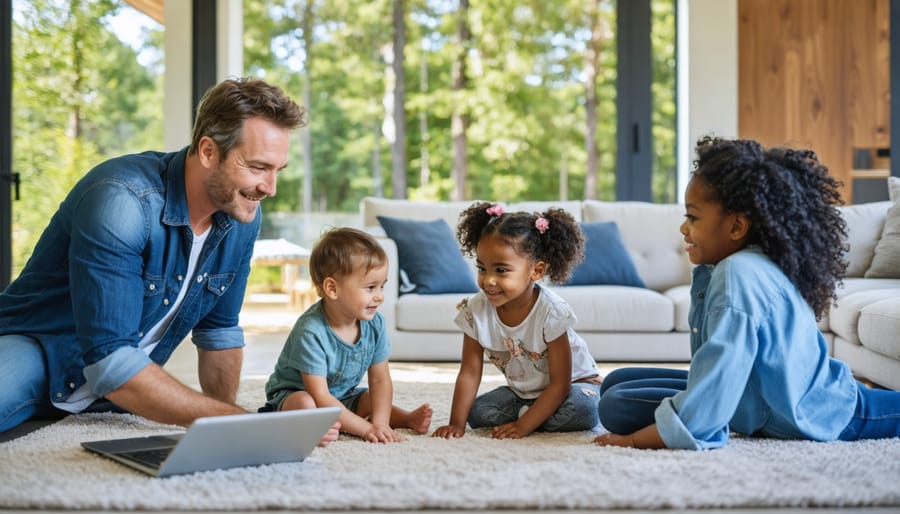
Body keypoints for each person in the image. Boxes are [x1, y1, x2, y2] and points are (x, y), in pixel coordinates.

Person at [0, 77, 337, 445]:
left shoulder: (242, 216)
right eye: (257, 167)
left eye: (277, 171)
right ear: (208, 151)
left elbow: (219, 333)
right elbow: (111, 361)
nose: (270, 188)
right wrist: (242, 423)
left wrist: (227, 431)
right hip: (39, 348)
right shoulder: (121, 201)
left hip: (120, 392)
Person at [594, 136, 900, 450]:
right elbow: (718, 367)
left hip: (831, 412)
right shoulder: (736, 264)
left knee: (617, 405)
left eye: (693, 217)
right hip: (761, 396)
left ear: (737, 227)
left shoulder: (737, 274)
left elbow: (718, 378)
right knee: (618, 381)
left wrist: (634, 440)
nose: (683, 228)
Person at [432, 202, 603, 440]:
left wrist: (523, 426)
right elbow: (470, 372)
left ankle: (533, 416)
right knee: (477, 412)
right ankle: (536, 414)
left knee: (584, 411)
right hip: (524, 394)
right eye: (482, 268)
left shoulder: (551, 312)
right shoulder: (475, 310)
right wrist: (456, 424)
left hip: (573, 387)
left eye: (501, 270)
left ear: (536, 271)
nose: (488, 280)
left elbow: (560, 384)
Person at [261, 227, 433, 443]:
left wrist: (380, 424)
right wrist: (366, 429)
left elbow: (380, 379)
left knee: (370, 399)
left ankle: (405, 419)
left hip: (344, 395)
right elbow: (320, 395)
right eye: (371, 287)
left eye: (382, 286)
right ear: (332, 288)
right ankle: (308, 426)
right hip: (297, 396)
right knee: (305, 404)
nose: (379, 297)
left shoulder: (374, 323)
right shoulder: (311, 331)